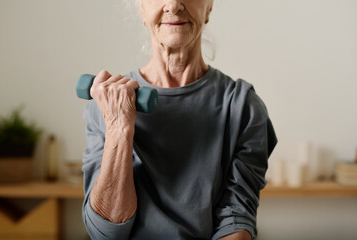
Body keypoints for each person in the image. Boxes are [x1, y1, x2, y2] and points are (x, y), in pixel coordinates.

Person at [81, 0, 277, 239]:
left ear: (209, 6)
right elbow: (106, 233)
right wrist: (119, 127)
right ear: (141, 9)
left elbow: (235, 222)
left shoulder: (244, 108)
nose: (173, 4)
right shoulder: (107, 104)